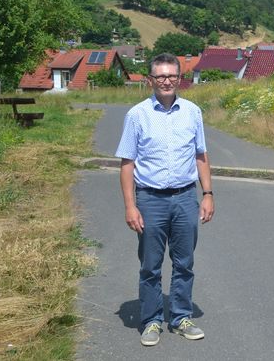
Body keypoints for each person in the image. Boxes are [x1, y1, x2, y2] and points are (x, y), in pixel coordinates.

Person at [116, 53, 215, 347]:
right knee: (150, 265)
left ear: (180, 78)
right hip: (150, 200)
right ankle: (151, 320)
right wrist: (130, 206)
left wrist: (207, 194)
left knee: (184, 263)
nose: (167, 81)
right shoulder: (137, 115)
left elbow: (201, 155)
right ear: (151, 80)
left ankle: (181, 317)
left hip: (185, 198)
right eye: (160, 76)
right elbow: (127, 164)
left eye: (172, 75)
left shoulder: (193, 112)